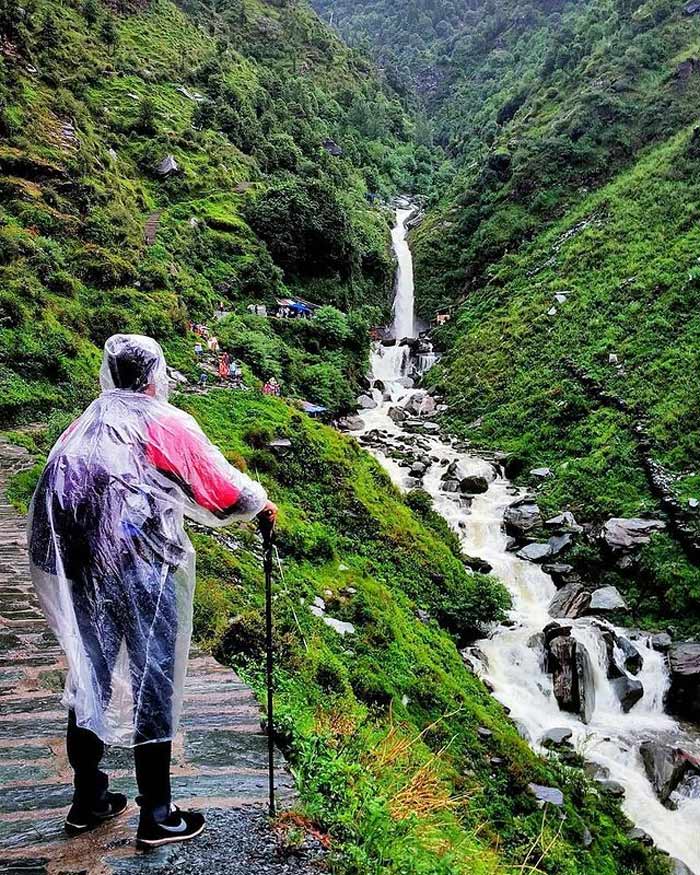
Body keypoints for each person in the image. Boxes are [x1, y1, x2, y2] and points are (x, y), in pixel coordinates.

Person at [27, 334, 277, 848]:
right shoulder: (162, 422)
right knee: (153, 680)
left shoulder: (86, 424)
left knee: (89, 678)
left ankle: (89, 798)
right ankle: (157, 812)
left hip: (84, 575)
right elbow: (223, 491)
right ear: (152, 376)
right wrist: (263, 505)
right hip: (145, 574)